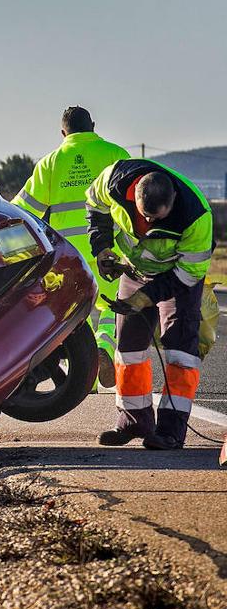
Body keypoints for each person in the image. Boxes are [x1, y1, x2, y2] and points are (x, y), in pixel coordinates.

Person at [87, 160, 213, 450]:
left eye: (158, 219)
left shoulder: (196, 216)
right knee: (128, 349)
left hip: (178, 279)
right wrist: (102, 246)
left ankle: (170, 432)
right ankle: (134, 420)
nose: (151, 225)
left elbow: (188, 273)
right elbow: (94, 204)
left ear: (173, 203)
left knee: (180, 352)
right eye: (146, 217)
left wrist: (145, 297)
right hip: (135, 271)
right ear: (134, 197)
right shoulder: (114, 181)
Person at [12, 107, 130, 386]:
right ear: (93, 126)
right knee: (113, 304)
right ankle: (106, 345)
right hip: (108, 248)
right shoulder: (116, 155)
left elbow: (23, 209)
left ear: (63, 133)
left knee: (79, 313)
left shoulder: (50, 163)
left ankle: (85, 378)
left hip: (69, 254)